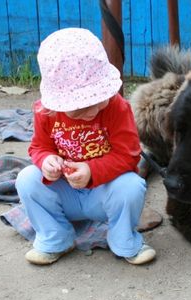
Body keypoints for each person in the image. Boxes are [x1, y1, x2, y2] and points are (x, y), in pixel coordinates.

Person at [15, 28, 156, 266]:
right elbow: (38, 147)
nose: (90, 112)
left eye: (95, 102)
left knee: (132, 185)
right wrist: (46, 161)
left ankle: (124, 241)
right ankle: (55, 238)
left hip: (103, 195)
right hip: (66, 195)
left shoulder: (118, 108)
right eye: (78, 109)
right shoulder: (45, 112)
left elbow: (129, 155)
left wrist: (92, 170)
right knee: (26, 179)